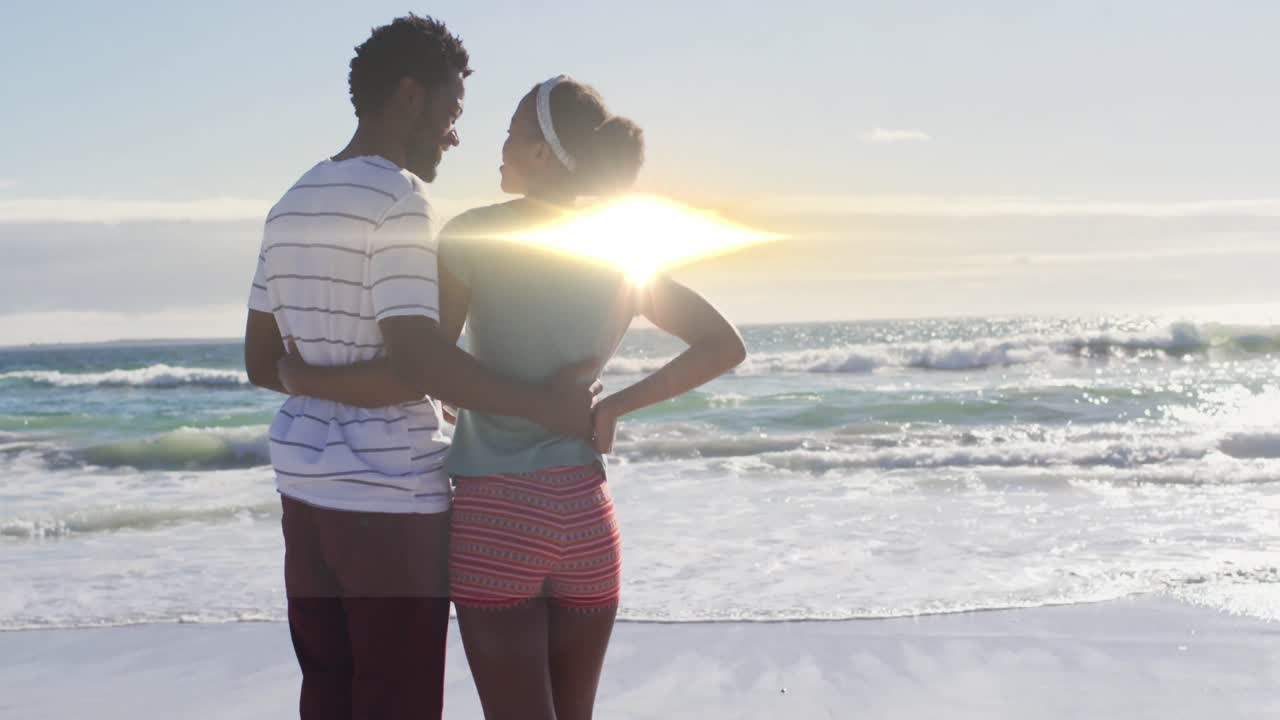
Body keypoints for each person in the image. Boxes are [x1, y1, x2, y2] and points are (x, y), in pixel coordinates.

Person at [280, 75, 746, 720]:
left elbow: (426, 360)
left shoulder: (475, 236)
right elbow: (723, 345)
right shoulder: (621, 249)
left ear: (542, 153)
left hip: (497, 514)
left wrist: (308, 376)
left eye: (511, 132)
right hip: (586, 514)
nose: (497, 146)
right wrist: (611, 408)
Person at [243, 17, 598, 720]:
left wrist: (306, 381)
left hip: (304, 494)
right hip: (388, 501)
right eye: (452, 111)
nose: (455, 134)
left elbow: (261, 361)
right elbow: (414, 367)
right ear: (409, 97)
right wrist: (539, 404)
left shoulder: (290, 203)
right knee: (396, 702)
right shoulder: (399, 199)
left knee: (330, 693)